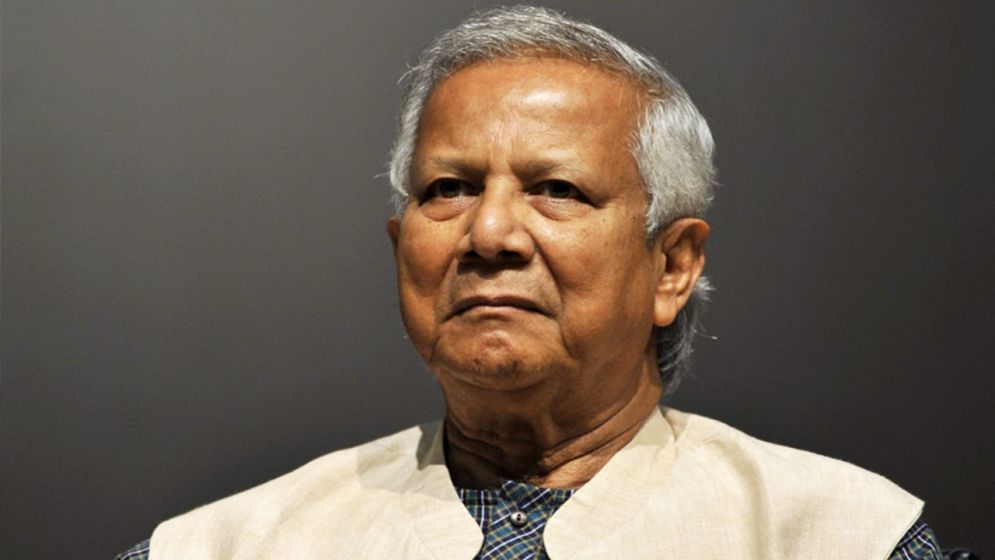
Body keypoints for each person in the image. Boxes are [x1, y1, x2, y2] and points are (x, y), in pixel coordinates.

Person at [117, 6, 943, 559]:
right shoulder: (226, 545)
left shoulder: (840, 536)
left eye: (556, 190)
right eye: (449, 188)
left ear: (671, 266)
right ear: (401, 248)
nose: (488, 235)